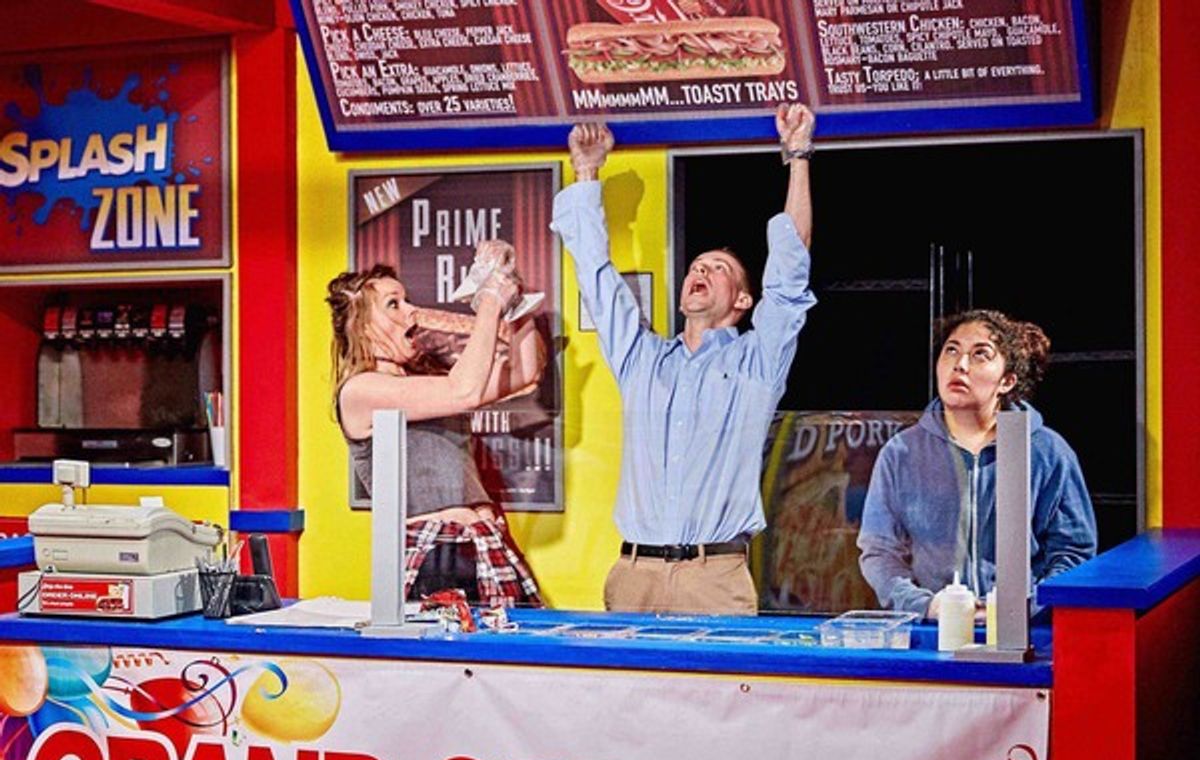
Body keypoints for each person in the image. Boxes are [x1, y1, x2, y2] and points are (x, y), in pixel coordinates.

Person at [551, 104, 817, 615]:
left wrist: (798, 155)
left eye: (718, 269)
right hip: (634, 577)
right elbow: (597, 277)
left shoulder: (755, 365)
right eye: (696, 266)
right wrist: (586, 170)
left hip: (713, 578)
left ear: (742, 301)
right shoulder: (643, 361)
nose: (700, 270)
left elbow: (789, 273)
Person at [326, 249, 546, 607]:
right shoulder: (359, 390)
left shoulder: (426, 383)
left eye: (406, 299)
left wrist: (511, 293)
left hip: (484, 543)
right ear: (361, 325)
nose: (412, 310)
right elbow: (465, 390)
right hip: (433, 554)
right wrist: (489, 300)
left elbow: (525, 372)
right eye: (393, 304)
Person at [857, 309, 1097, 619]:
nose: (960, 364)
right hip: (930, 631)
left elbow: (1073, 551)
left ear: (1007, 380)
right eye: (951, 350)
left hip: (1025, 633)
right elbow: (880, 552)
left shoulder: (1047, 451)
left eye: (980, 354)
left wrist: (1026, 609)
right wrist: (927, 606)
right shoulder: (901, 452)